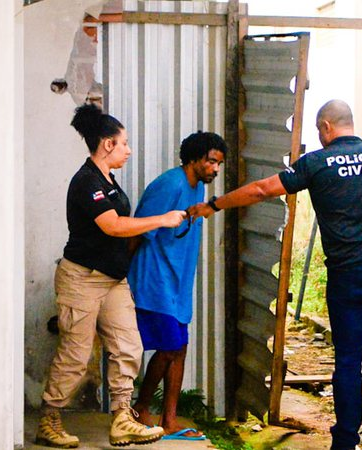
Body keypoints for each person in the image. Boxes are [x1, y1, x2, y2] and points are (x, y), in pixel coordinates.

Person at [188, 100, 362, 450]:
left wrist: (213, 205)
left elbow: (261, 190)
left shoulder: (316, 164)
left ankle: (346, 442)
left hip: (348, 276)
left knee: (348, 358)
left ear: (325, 128)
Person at [37, 104, 187, 448]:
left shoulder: (108, 180)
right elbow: (113, 225)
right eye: (124, 143)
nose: (128, 150)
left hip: (113, 281)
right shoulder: (87, 182)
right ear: (107, 144)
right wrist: (161, 220)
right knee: (75, 355)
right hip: (82, 280)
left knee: (128, 347)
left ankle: (122, 418)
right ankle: (49, 419)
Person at [128, 131, 227, 440]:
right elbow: (138, 230)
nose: (215, 169)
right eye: (211, 162)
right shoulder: (169, 185)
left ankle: (168, 420)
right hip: (155, 280)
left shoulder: (196, 189)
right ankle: (141, 410)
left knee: (179, 349)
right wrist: (120, 275)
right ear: (194, 159)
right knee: (169, 348)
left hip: (177, 283)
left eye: (219, 164)